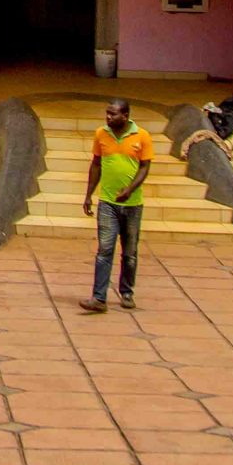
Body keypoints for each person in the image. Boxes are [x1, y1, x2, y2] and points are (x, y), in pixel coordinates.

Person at [78, 98, 150, 313]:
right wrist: (89, 194)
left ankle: (126, 292)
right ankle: (99, 298)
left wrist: (129, 189)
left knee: (129, 252)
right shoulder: (101, 134)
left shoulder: (142, 136)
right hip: (107, 203)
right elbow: (96, 164)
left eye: (113, 114)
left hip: (133, 205)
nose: (108, 117)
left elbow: (145, 167)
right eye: (107, 113)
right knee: (105, 249)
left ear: (125, 116)